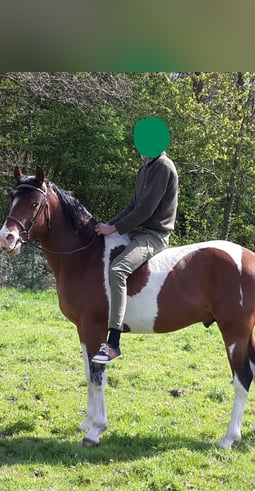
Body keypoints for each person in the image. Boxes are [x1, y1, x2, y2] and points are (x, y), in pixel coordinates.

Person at [92, 117, 179, 364]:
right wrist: (107, 226)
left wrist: (115, 227)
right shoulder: (145, 168)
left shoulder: (163, 167)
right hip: (135, 232)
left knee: (117, 270)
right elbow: (132, 206)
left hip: (153, 236)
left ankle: (114, 343)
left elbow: (146, 210)